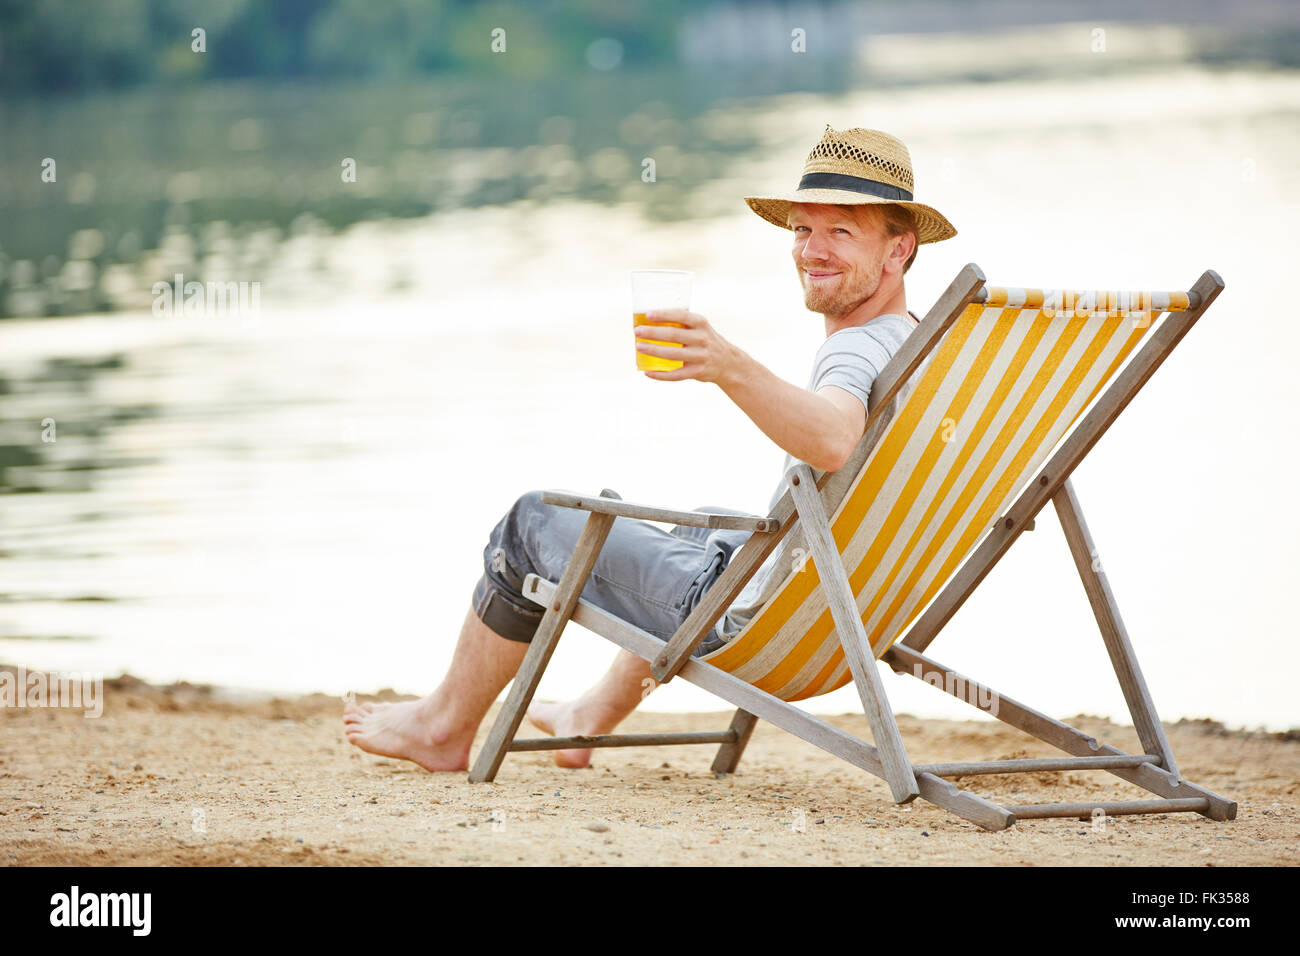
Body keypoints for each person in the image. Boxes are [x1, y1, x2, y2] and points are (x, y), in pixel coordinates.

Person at [343, 125, 957, 772]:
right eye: (803, 229)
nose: (811, 250)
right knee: (701, 531)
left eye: (841, 231)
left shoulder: (855, 348)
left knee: (530, 523)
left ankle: (441, 730)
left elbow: (833, 439)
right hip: (855, 617)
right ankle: (586, 718)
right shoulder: (925, 346)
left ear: (899, 250)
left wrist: (728, 365)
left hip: (764, 629)